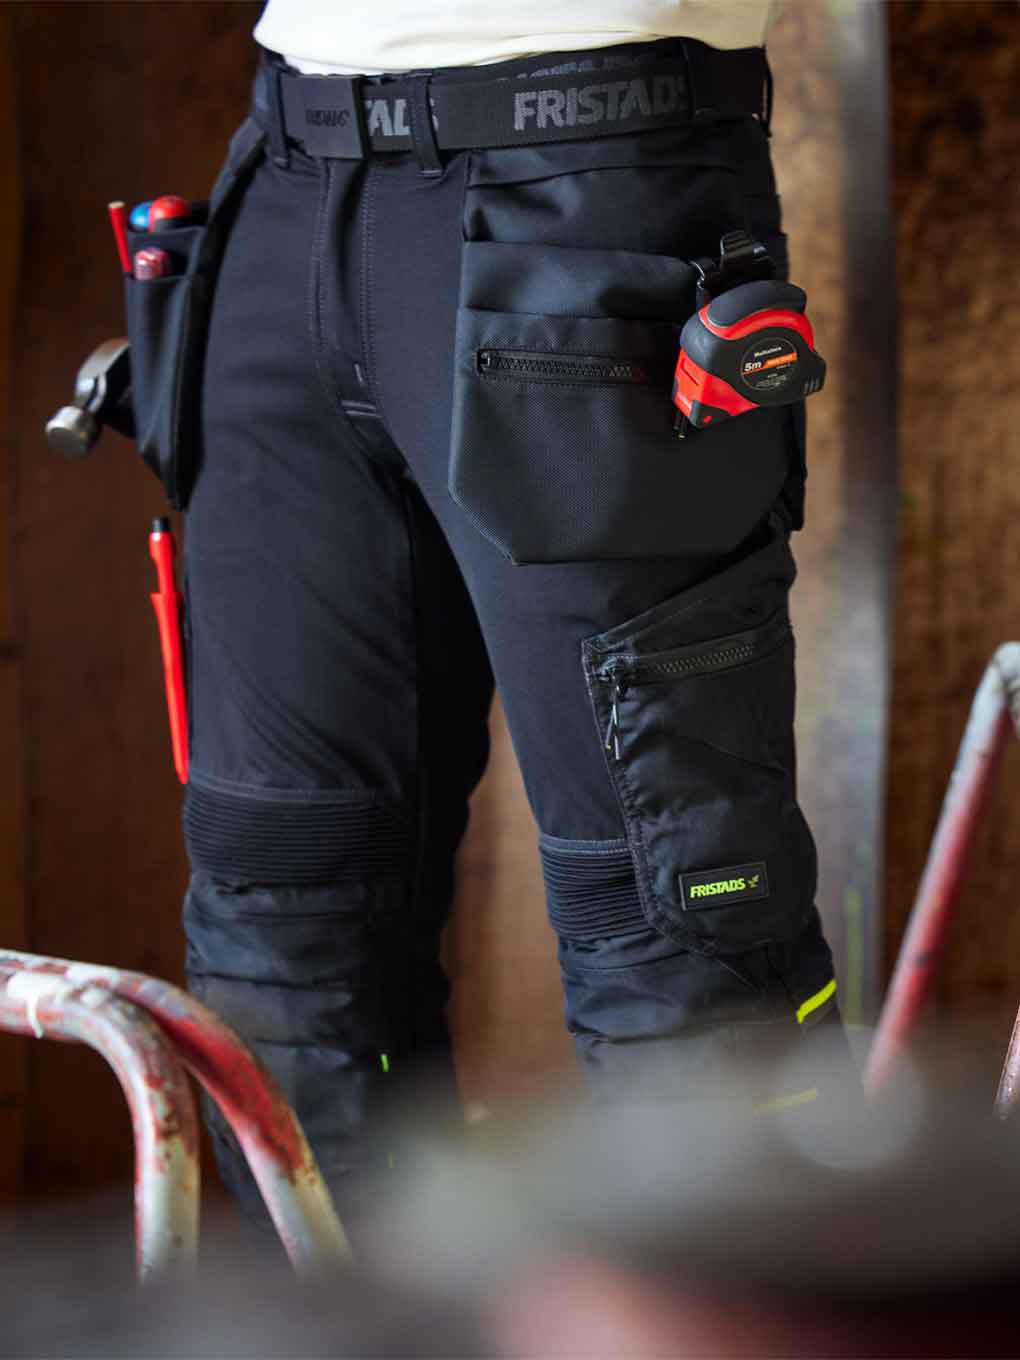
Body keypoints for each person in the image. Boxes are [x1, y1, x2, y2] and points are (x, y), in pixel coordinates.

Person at [178, 0, 846, 1233]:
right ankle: (355, 1323)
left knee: (680, 929)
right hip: (286, 179)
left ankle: (758, 1312)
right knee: (282, 938)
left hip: (590, 171)